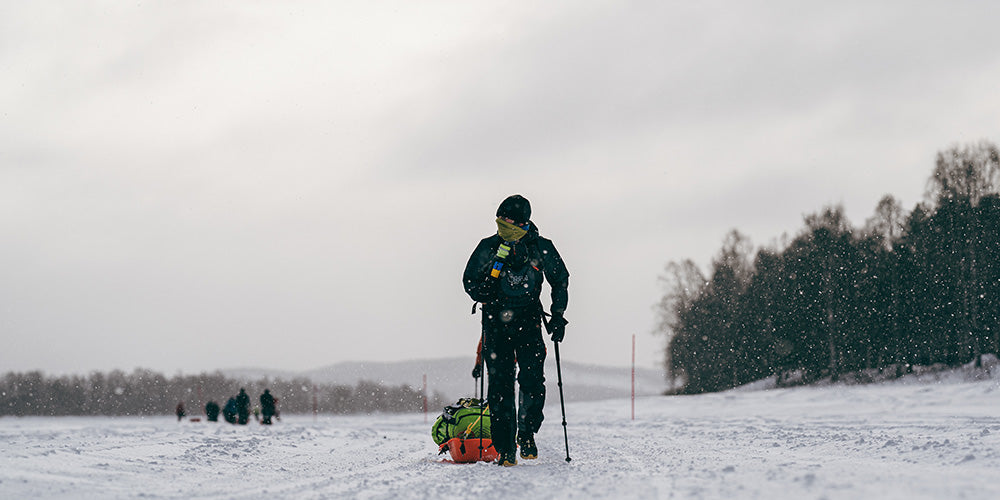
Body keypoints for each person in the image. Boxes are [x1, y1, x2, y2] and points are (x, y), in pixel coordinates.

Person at [463, 194, 569, 466]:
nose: (504, 223)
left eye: (510, 220)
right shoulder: (488, 247)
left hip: (529, 321)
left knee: (533, 381)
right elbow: (469, 279)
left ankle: (526, 432)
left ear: (524, 222)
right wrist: (480, 291)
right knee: (499, 386)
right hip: (496, 323)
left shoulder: (540, 248)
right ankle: (505, 447)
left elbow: (560, 279)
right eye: (501, 218)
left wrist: (558, 315)